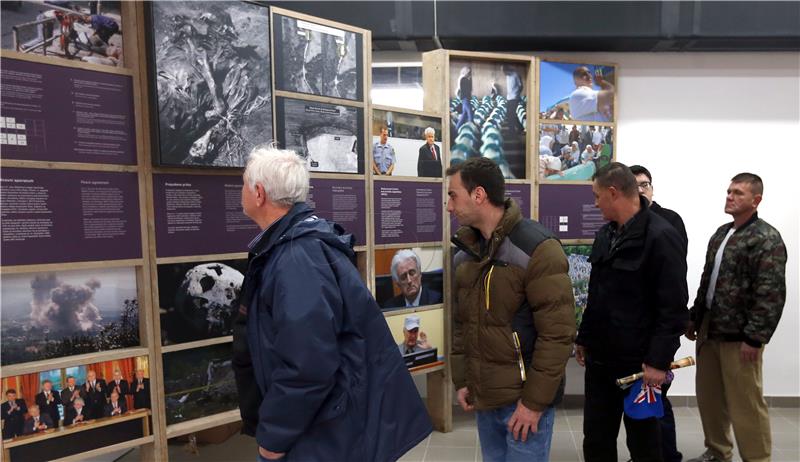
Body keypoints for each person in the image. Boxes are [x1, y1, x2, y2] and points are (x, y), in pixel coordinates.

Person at [238, 146, 431, 461]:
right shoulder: (301, 245)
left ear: (259, 193)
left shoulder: (296, 259)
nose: (242, 192)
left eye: (244, 184)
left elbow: (307, 364)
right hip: (327, 423)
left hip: (321, 433)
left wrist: (274, 438)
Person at [447, 157, 576, 461]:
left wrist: (534, 403)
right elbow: (462, 324)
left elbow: (558, 336)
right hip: (485, 397)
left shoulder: (538, 249)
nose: (449, 206)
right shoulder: (465, 254)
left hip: (524, 402)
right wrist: (463, 379)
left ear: (478, 195)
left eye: (453, 195)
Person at [575, 162, 688, 462]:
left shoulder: (661, 236)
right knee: (596, 441)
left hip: (640, 367)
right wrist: (583, 338)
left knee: (644, 444)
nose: (595, 202)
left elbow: (673, 308)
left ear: (613, 193)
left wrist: (657, 362)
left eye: (597, 195)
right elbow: (595, 295)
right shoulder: (605, 235)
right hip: (601, 364)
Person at [685, 173, 787, 462]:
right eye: (729, 191)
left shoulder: (766, 238)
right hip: (710, 330)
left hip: (741, 337)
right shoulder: (721, 233)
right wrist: (695, 317)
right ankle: (718, 452)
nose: (730, 196)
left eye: (738, 193)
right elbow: (709, 281)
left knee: (746, 404)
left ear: (756, 200)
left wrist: (755, 338)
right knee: (710, 399)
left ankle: (757, 458)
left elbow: (770, 293)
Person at [630, 165, 687, 246]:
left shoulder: (671, 218)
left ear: (652, 189)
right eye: (634, 186)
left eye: (644, 184)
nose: (640, 190)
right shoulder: (623, 220)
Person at [503, 65, 524, 132]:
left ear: (508, 70)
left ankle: (511, 131)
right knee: (510, 114)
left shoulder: (515, 75)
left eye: (505, 71)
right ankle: (520, 128)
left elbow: (521, 86)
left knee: (511, 114)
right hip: (509, 97)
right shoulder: (507, 76)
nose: (504, 73)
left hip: (514, 97)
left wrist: (517, 94)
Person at [455, 66, 474, 130]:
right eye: (468, 72)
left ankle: (456, 129)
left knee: (464, 114)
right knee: (470, 113)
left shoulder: (462, 78)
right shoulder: (464, 79)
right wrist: (470, 80)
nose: (469, 74)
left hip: (464, 98)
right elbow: (468, 89)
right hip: (466, 98)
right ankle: (471, 127)